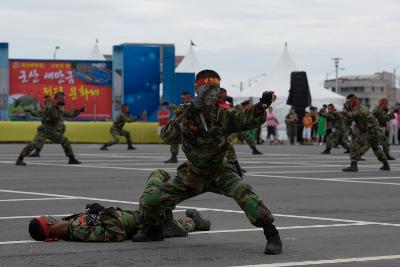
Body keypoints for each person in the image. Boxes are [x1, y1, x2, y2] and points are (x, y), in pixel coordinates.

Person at [132, 70, 282, 255]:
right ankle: (154, 230)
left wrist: (261, 105)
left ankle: (272, 234)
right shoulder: (184, 111)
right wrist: (189, 112)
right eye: (207, 89)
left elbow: (246, 119)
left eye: (215, 89)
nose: (211, 93)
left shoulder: (224, 114)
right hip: (193, 174)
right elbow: (167, 136)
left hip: (220, 172)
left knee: (246, 195)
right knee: (151, 201)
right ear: (197, 89)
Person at [28, 170, 211, 242]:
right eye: (49, 220)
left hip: (139, 216)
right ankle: (189, 220)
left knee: (163, 207)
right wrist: (104, 212)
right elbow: (116, 234)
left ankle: (190, 222)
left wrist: (100, 212)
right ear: (50, 228)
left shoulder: (71, 223)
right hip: (142, 222)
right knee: (158, 177)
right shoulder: (78, 232)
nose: (53, 217)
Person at [16, 92, 84, 166]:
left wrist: (79, 111)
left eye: (63, 99)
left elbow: (70, 114)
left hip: (54, 131)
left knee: (65, 141)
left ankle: (71, 159)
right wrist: (49, 104)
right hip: (45, 130)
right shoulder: (49, 107)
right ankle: (20, 158)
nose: (62, 101)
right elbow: (42, 112)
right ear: (56, 99)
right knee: (34, 143)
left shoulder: (60, 109)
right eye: (61, 99)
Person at [342, 97, 390, 172]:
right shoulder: (360, 108)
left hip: (370, 131)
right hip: (373, 130)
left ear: (353, 103)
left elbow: (351, 115)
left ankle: (353, 165)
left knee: (355, 144)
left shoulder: (359, 109)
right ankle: (386, 165)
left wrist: (345, 111)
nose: (347, 104)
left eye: (349, 103)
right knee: (376, 147)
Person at [164, 92, 192, 163]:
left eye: (184, 98)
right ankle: (174, 157)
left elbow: (180, 110)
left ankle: (193, 159)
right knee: (174, 140)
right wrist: (169, 105)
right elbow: (177, 109)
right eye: (182, 98)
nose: (183, 99)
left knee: (190, 143)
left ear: (189, 97)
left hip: (189, 127)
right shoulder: (182, 105)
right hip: (180, 127)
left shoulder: (192, 105)